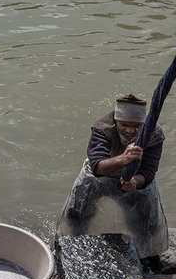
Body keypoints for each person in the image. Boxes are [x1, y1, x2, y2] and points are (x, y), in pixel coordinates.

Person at [56, 94, 168, 260]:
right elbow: (97, 166)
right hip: (97, 178)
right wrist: (124, 159)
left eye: (136, 126)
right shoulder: (103, 128)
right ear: (116, 122)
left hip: (132, 181)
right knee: (76, 214)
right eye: (124, 125)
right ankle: (73, 251)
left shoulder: (154, 134)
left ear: (144, 124)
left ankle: (146, 258)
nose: (130, 130)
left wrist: (135, 182)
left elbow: (149, 171)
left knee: (144, 222)